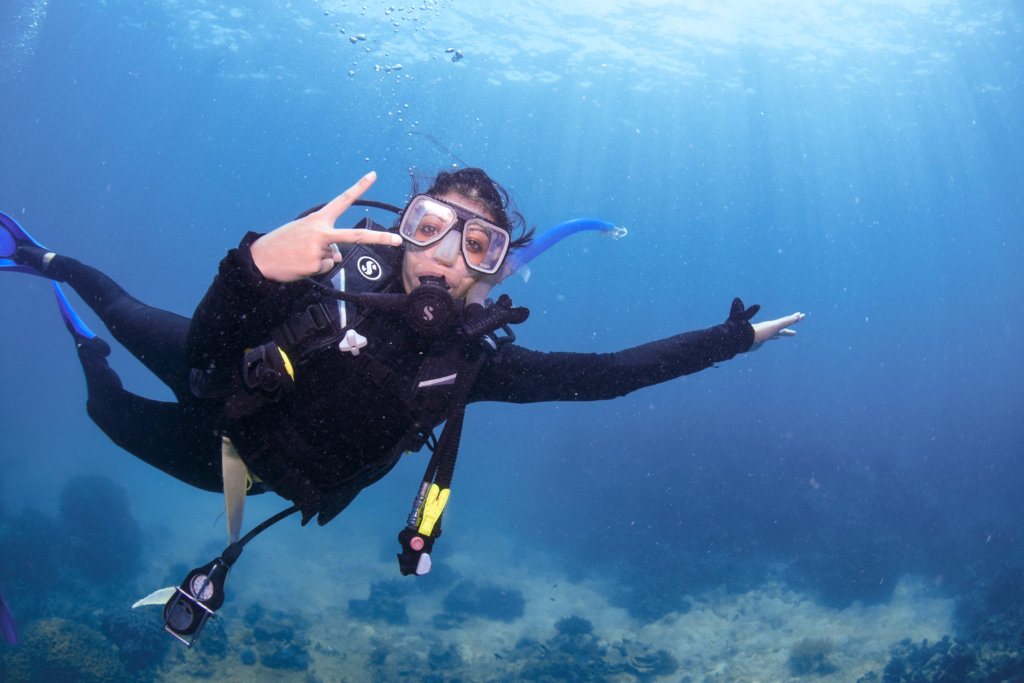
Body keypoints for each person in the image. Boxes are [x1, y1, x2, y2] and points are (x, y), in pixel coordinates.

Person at [3, 166, 803, 639]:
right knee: (120, 302)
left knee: (103, 409)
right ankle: (41, 256)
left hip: (237, 467)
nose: (449, 257)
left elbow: (606, 374)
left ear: (496, 273)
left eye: (479, 245)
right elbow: (212, 343)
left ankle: (82, 345)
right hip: (217, 375)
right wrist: (251, 265)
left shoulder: (473, 364)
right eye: (434, 226)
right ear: (405, 231)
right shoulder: (329, 276)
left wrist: (729, 339)